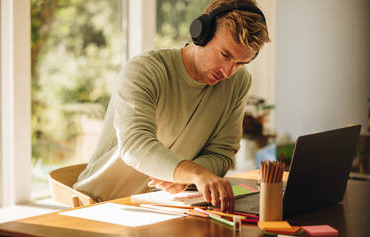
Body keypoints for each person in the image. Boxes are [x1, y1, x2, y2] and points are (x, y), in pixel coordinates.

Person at [73, 0, 270, 212]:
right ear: (201, 33)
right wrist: (194, 173)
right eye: (225, 55)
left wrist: (184, 175)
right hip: (102, 204)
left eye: (241, 63)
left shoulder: (238, 82)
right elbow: (134, 144)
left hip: (163, 206)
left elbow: (222, 154)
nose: (229, 71)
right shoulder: (144, 70)